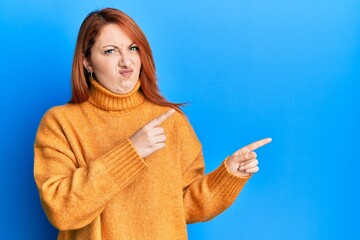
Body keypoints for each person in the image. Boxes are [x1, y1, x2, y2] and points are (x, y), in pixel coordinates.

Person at [33, 7, 271, 240]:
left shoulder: (170, 120)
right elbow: (62, 211)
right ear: (87, 62)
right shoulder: (60, 122)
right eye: (110, 51)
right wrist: (132, 152)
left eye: (133, 48)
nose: (126, 61)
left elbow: (184, 207)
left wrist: (227, 175)